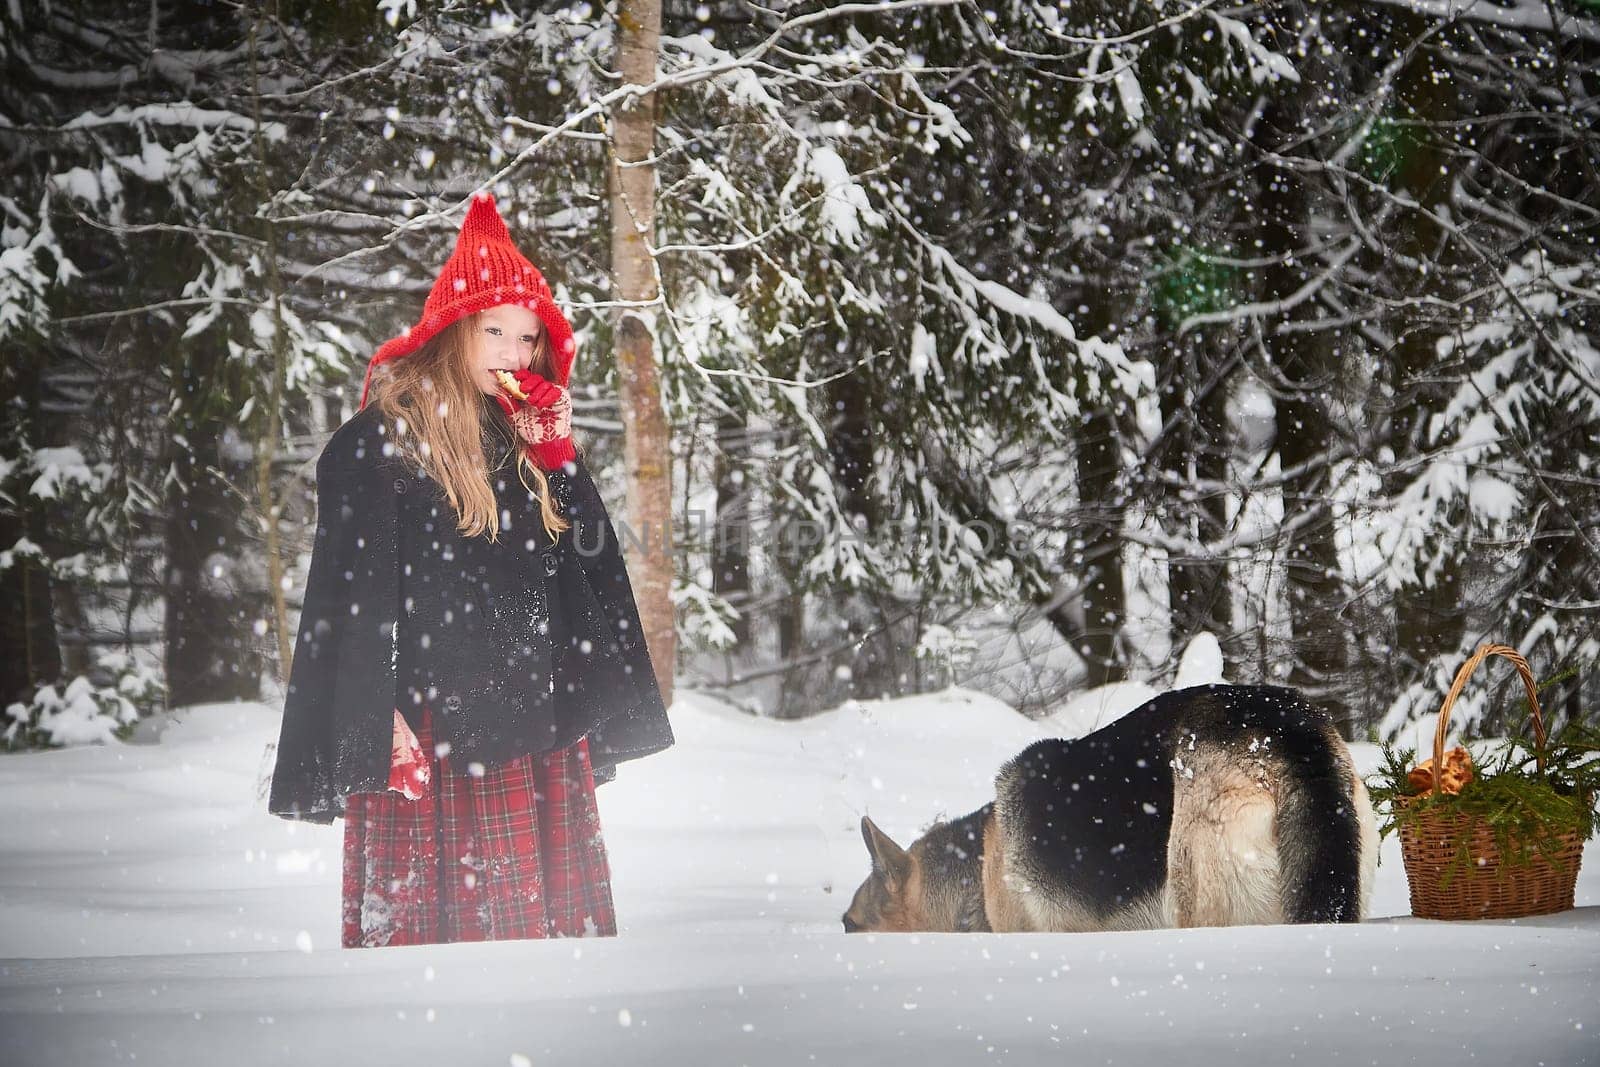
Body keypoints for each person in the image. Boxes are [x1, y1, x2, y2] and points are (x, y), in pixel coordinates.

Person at [267, 191, 675, 948]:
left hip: (537, 730)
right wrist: (373, 714)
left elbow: (592, 573)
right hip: (426, 731)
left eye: (529, 339)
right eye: (495, 330)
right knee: (427, 962)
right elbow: (349, 602)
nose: (516, 356)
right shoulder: (380, 441)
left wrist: (560, 461)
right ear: (452, 329)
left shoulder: (525, 435)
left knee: (551, 961)